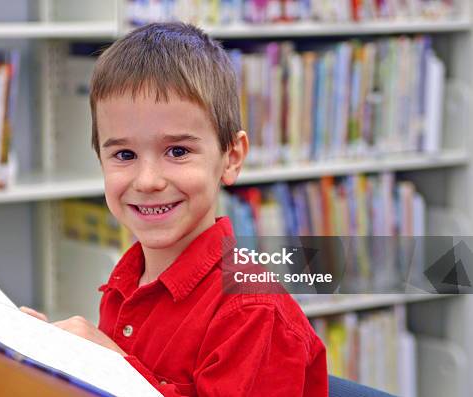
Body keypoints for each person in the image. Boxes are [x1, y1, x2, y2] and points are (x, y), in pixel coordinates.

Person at [22, 22, 328, 396]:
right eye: (124, 155)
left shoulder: (253, 312)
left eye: (177, 151)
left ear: (231, 158)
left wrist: (112, 366)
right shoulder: (126, 280)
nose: (148, 180)